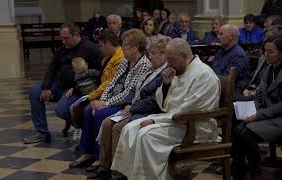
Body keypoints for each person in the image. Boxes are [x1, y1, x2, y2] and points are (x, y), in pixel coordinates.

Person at [111, 38, 221, 180]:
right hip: (176, 121)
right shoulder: (179, 70)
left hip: (196, 126)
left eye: (171, 59)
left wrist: (155, 121)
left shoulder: (204, 75)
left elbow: (190, 110)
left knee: (146, 135)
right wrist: (166, 85)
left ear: (185, 57)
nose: (168, 64)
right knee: (129, 129)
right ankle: (130, 176)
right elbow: (166, 103)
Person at [69, 29, 151, 174]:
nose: (122, 47)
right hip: (112, 99)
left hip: (125, 103)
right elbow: (112, 83)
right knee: (89, 111)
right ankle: (87, 152)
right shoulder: (126, 61)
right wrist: (101, 100)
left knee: (100, 114)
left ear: (136, 47)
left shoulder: (144, 64)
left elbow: (129, 93)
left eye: (125, 44)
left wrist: (105, 104)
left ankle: (101, 157)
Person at [91, 38, 169, 180]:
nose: (150, 56)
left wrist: (133, 108)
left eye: (154, 53)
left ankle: (118, 172)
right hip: (135, 107)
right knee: (107, 123)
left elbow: (154, 100)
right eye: (150, 53)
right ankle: (104, 166)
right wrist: (129, 104)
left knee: (118, 128)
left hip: (149, 112)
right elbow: (134, 89)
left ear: (164, 55)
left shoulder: (165, 73)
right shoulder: (152, 69)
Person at [231, 34, 282, 180]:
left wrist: (257, 116)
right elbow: (259, 95)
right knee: (237, 127)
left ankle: (255, 170)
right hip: (266, 113)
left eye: (271, 52)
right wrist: (251, 110)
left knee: (245, 133)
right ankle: (239, 167)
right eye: (265, 51)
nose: (266, 55)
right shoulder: (269, 69)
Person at [23, 22, 103, 144]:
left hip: (77, 89)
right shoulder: (62, 49)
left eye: (66, 38)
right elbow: (52, 69)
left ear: (76, 35)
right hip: (59, 85)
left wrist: (76, 86)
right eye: (62, 38)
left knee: (61, 110)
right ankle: (42, 133)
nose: (63, 42)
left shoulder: (91, 49)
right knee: (35, 91)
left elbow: (99, 73)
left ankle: (83, 128)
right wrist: (46, 87)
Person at [69, 29, 124, 129]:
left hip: (111, 95)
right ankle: (85, 140)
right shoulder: (108, 57)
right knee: (75, 108)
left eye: (101, 46)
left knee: (86, 110)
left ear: (107, 43)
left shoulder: (119, 59)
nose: (100, 49)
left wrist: (91, 96)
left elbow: (110, 82)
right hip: (103, 92)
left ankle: (90, 141)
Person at [213, 24, 250, 94]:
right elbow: (214, 69)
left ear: (232, 37)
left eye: (221, 34)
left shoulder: (238, 55)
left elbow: (227, 80)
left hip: (231, 92)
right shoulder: (221, 51)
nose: (218, 37)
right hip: (217, 87)